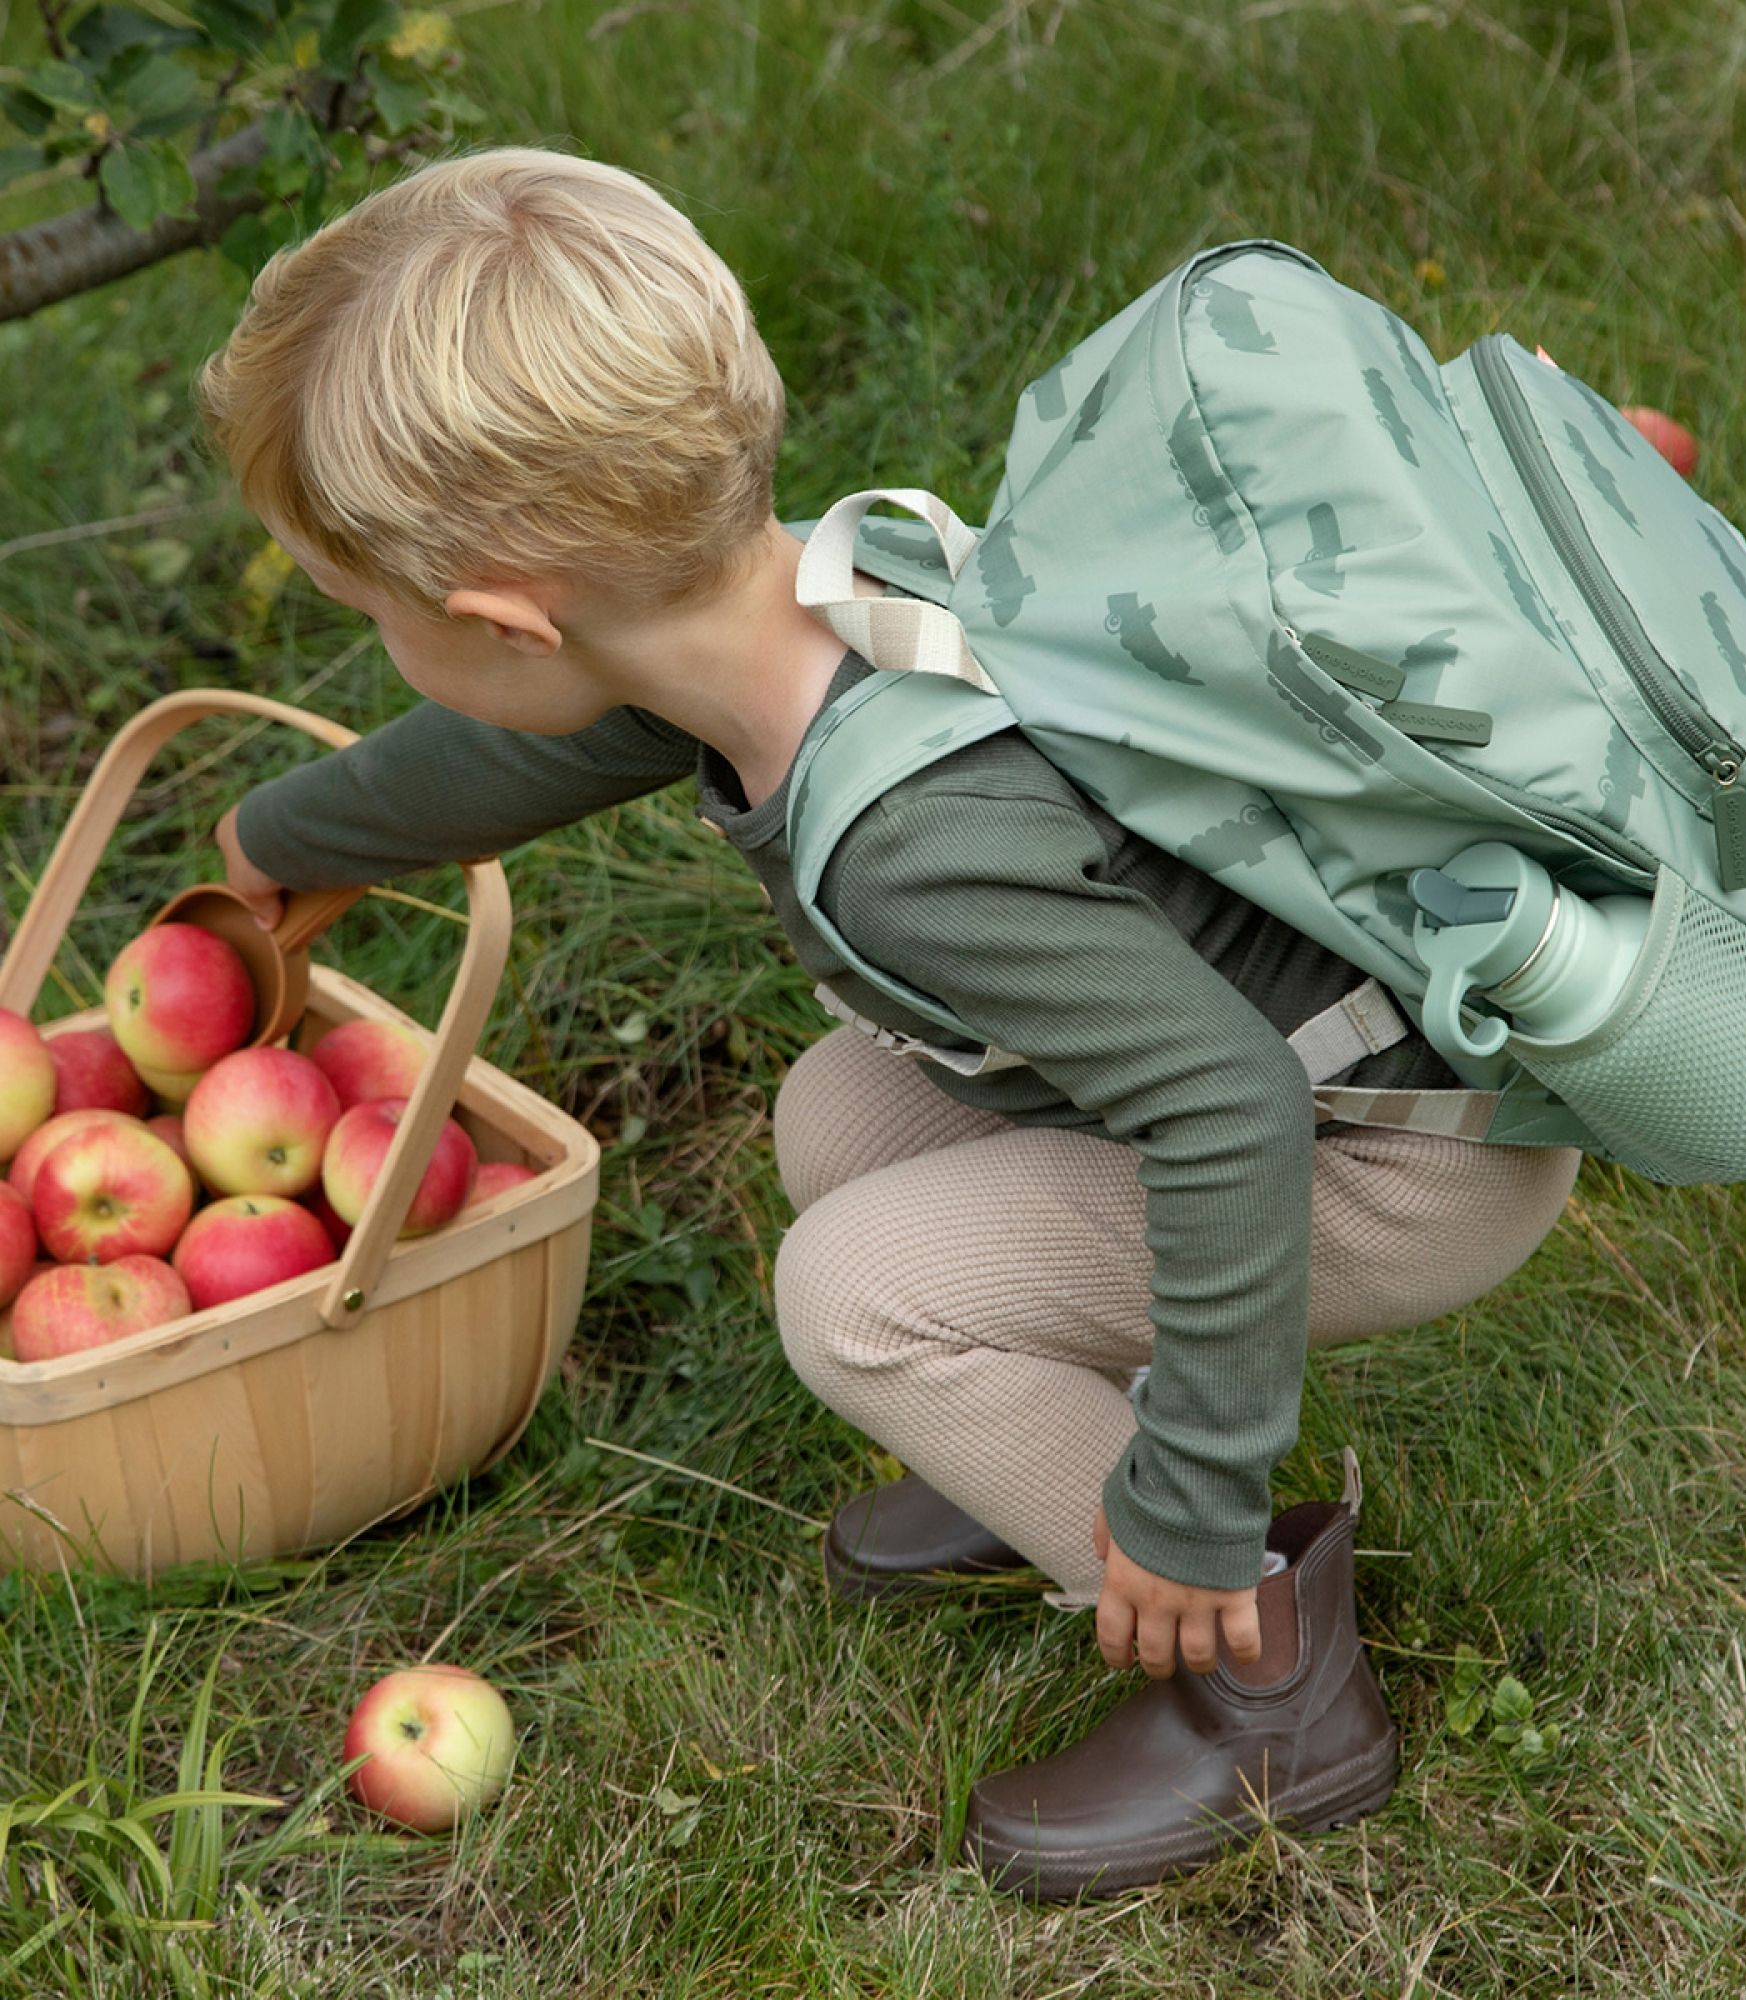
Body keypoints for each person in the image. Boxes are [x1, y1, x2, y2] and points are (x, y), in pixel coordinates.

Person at [196, 143, 1581, 1900]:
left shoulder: (917, 848)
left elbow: (1226, 1107)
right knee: (842, 1121)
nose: (389, 651)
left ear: (500, 619)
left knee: (852, 1300)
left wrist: (1192, 1501)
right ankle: (1037, 1454)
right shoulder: (801, 604)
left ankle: (1261, 1678)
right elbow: (515, 747)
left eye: (374, 620)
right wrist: (284, 842)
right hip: (1314, 1067)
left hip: (1394, 1159)